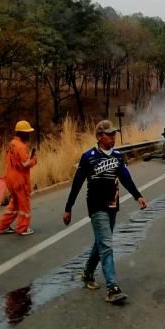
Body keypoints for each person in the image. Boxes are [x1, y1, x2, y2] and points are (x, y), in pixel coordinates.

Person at [62, 120, 148, 304]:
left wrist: (137, 196)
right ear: (99, 136)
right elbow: (77, 184)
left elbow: (125, 178)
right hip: (96, 206)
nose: (113, 137)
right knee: (107, 244)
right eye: (109, 135)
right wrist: (68, 208)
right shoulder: (89, 157)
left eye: (114, 134)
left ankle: (87, 273)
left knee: (101, 242)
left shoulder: (118, 156)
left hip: (112, 206)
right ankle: (112, 288)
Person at [0, 120, 38, 236]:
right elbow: (25, 164)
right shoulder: (21, 147)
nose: (29, 135)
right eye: (27, 132)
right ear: (22, 133)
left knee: (14, 204)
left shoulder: (12, 144)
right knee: (24, 205)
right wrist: (34, 159)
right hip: (19, 180)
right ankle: (23, 228)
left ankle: (2, 226)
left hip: (10, 178)